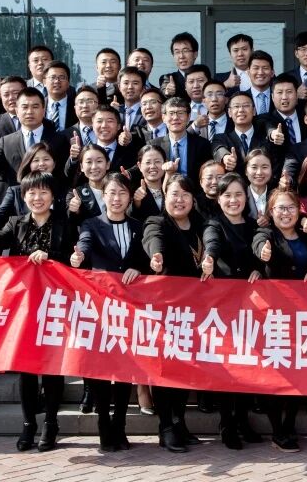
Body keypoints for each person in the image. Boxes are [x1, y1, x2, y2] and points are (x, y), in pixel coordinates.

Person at [0, 172, 68, 452]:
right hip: (24, 308)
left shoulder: (65, 224)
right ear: (23, 197)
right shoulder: (16, 223)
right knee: (25, 368)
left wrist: (50, 257)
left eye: (43, 192)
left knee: (52, 368)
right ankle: (28, 424)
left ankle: (51, 423)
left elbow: (76, 260)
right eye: (31, 193)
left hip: (55, 307)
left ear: (52, 196)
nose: (37, 198)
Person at [73, 173, 148, 452]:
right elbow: (84, 244)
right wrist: (78, 256)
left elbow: (145, 257)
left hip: (129, 309)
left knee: (126, 368)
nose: (116, 199)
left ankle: (120, 423)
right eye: (111, 193)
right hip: (99, 308)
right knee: (100, 367)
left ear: (130, 197)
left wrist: (139, 268)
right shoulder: (92, 224)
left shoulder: (139, 226)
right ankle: (104, 422)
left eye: (122, 193)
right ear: (103, 196)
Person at [142, 174, 207, 453]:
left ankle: (179, 422)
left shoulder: (201, 224)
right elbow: (152, 240)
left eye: (185, 194)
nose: (179, 200)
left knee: (186, 368)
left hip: (195, 311)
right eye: (174, 194)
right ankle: (166, 426)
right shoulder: (157, 222)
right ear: (165, 196)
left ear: (193, 199)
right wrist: (156, 256)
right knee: (165, 368)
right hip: (165, 310)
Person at [253, 188, 307, 452]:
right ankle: (277, 430)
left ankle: (289, 424)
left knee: (297, 372)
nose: (286, 213)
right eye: (280, 208)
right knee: (275, 373)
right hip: (274, 316)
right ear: (271, 212)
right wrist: (262, 254)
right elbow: (258, 247)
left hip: (302, 315)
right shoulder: (266, 235)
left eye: (290, 207)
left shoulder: (306, 235)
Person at [201, 173, 265, 449]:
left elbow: (260, 252)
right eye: (227, 195)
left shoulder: (253, 225)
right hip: (223, 307)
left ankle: (242, 419)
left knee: (247, 365)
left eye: (239, 194)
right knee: (226, 366)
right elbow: (212, 244)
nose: (233, 200)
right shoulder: (214, 224)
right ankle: (227, 423)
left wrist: (258, 269)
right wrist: (209, 259)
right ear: (219, 198)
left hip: (250, 308)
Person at [130, 144, 167, 219]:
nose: (153, 166)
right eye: (148, 162)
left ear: (165, 163)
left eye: (157, 161)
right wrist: (137, 202)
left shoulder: (172, 188)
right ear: (139, 166)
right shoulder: (132, 191)